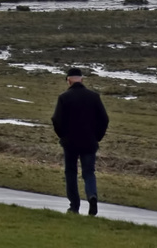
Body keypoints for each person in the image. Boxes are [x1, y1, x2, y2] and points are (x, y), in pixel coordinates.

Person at [51, 67, 109, 215]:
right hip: (89, 141)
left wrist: (62, 136)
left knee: (71, 172)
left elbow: (56, 120)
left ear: (68, 81)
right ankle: (92, 196)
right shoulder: (94, 97)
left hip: (70, 142)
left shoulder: (64, 97)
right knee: (89, 172)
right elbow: (104, 119)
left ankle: (74, 206)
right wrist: (97, 137)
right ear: (82, 80)